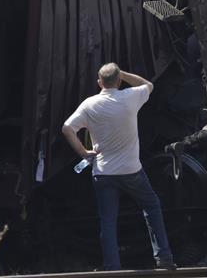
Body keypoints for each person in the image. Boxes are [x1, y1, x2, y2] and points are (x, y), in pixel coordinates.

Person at [61, 63, 175, 271]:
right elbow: (147, 84)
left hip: (104, 174)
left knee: (108, 221)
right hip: (132, 171)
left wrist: (83, 152)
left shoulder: (89, 104)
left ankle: (112, 268)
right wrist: (122, 74)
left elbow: (67, 128)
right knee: (151, 207)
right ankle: (164, 258)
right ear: (120, 81)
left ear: (99, 83)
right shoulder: (130, 97)